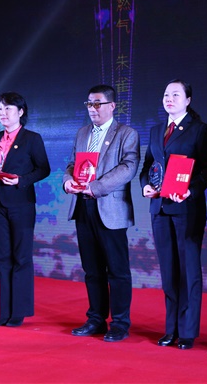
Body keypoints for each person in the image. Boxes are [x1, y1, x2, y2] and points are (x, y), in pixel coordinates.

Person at [139, 79, 207, 350]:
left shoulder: (199, 129)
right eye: (166, 95)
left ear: (188, 100)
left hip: (186, 209)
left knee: (188, 271)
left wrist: (190, 190)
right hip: (160, 208)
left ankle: (186, 331)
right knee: (168, 271)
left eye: (175, 94)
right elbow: (148, 166)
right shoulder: (156, 130)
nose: (169, 99)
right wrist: (145, 186)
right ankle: (170, 328)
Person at [63, 84, 140, 342]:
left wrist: (95, 187)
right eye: (89, 104)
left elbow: (129, 167)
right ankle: (95, 318)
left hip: (110, 207)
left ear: (112, 105)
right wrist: (67, 181)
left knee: (117, 270)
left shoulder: (126, 133)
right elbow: (72, 164)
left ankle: (119, 323)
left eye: (97, 103)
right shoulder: (82, 133)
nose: (92, 109)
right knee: (92, 269)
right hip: (83, 206)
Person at [0, 92, 51, 327]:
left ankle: (18, 312)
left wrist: (21, 180)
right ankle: (5, 312)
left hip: (21, 204)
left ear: (20, 112)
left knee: (21, 256)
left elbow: (43, 169)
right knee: (2, 256)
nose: (3, 113)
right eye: (0, 108)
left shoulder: (32, 138)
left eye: (8, 108)